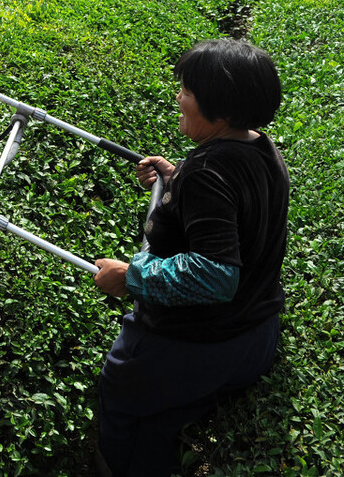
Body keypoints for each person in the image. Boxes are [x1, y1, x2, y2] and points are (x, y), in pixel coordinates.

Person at [91, 38, 289, 477]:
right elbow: (232, 207)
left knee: (120, 400)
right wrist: (174, 178)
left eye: (188, 90)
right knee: (172, 411)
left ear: (220, 112)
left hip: (201, 345)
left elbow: (215, 276)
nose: (179, 97)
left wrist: (132, 276)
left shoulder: (208, 172)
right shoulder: (261, 148)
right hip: (257, 337)